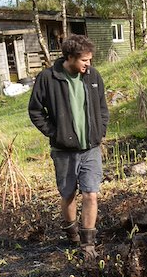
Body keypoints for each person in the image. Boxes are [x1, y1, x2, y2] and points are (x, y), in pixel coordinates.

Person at [28, 34, 109, 253]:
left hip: (91, 147)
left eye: (90, 60)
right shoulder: (48, 78)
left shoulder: (93, 76)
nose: (88, 64)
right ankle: (72, 233)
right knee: (68, 194)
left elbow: (102, 107)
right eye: (84, 60)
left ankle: (88, 243)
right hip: (63, 151)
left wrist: (100, 131)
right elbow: (35, 111)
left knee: (91, 193)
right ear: (70, 57)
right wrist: (54, 133)